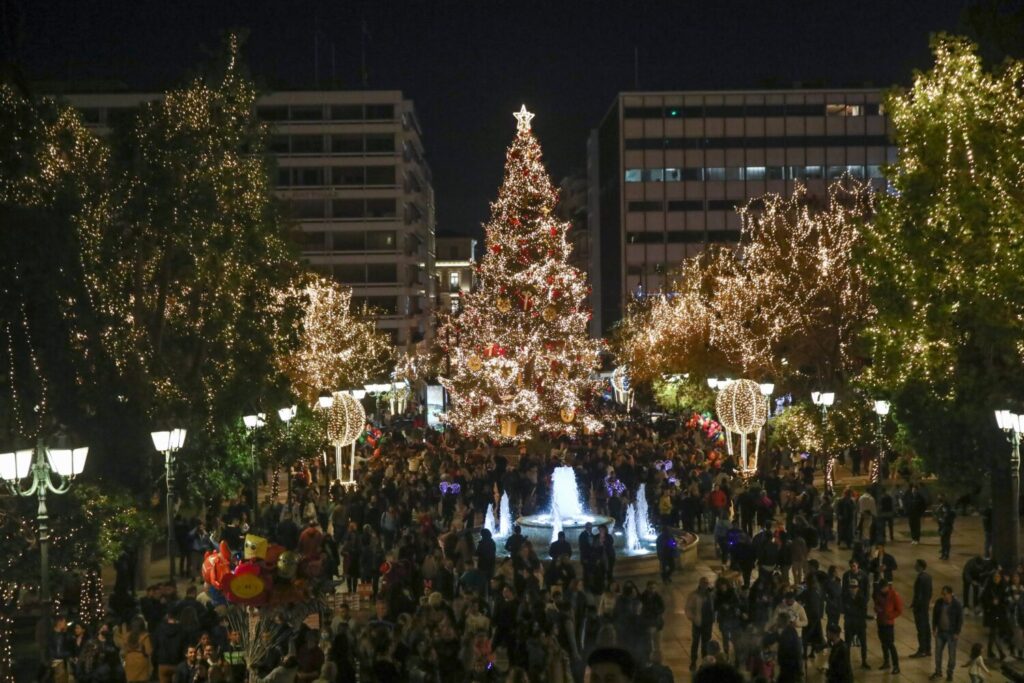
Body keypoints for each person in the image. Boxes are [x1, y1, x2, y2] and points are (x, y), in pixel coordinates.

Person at [931, 585, 963, 681]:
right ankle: (938, 671)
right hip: (940, 632)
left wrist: (957, 632)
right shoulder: (939, 602)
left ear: (950, 594)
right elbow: (935, 616)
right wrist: (934, 628)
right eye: (942, 594)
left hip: (951, 634)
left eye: (945, 594)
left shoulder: (957, 605)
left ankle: (950, 673)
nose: (943, 596)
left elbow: (960, 620)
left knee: (952, 655)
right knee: (937, 653)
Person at [685, 577, 715, 671]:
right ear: (700, 584)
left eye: (706, 583)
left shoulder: (711, 594)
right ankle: (693, 661)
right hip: (698, 623)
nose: (705, 585)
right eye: (703, 583)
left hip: (708, 623)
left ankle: (704, 661)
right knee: (695, 642)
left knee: (706, 643)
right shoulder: (694, 595)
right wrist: (693, 618)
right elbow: (688, 608)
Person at [874, 579, 903, 674]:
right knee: (883, 643)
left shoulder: (894, 595)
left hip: (888, 624)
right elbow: (877, 604)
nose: (881, 590)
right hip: (880, 622)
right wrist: (877, 608)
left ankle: (896, 666)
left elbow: (899, 610)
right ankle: (886, 662)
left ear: (887, 587)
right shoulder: (879, 593)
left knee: (890, 644)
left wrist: (889, 616)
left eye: (882, 588)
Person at [842, 579, 869, 669]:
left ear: (858, 588)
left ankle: (864, 661)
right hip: (849, 626)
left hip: (860, 625)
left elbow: (863, 612)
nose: (852, 589)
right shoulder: (846, 598)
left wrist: (852, 611)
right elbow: (844, 609)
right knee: (847, 644)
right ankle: (846, 662)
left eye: (854, 587)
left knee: (863, 644)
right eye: (851, 587)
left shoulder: (862, 598)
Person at [118, 615, 153, 683]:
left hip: (129, 661)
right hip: (142, 662)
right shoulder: (145, 636)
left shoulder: (126, 636)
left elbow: (123, 651)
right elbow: (149, 651)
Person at [911, 559, 934, 658]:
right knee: (926, 628)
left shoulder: (920, 578)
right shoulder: (928, 577)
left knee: (921, 629)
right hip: (925, 606)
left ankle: (922, 650)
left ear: (920, 566)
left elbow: (918, 594)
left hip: (920, 608)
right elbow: (930, 592)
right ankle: (928, 649)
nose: (914, 566)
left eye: (916, 564)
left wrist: (915, 605)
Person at [935, 494, 956, 560]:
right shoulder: (940, 506)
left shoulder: (947, 506)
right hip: (942, 526)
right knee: (942, 540)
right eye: (938, 497)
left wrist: (942, 519)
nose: (939, 499)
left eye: (940, 497)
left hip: (946, 526)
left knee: (946, 540)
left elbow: (947, 515)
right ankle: (943, 553)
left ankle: (946, 554)